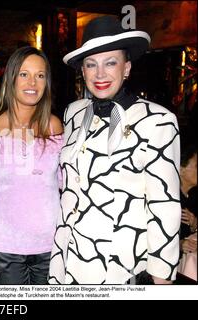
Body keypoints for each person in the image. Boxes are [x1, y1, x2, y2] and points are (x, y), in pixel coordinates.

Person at [48, 15, 181, 285]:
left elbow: (164, 205)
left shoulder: (157, 121)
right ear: (82, 71)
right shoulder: (73, 113)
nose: (100, 74)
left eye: (110, 63)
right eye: (91, 64)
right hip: (68, 258)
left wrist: (162, 276)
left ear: (127, 68)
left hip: (120, 266)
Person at [0, 46, 63, 284]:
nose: (33, 82)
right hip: (5, 248)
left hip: (52, 246)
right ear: (11, 79)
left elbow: (62, 183)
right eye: (24, 74)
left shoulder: (54, 126)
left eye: (40, 75)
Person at [179, 144, 197, 253]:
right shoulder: (169, 200)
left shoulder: (192, 196)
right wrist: (180, 245)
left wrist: (194, 223)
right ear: (181, 169)